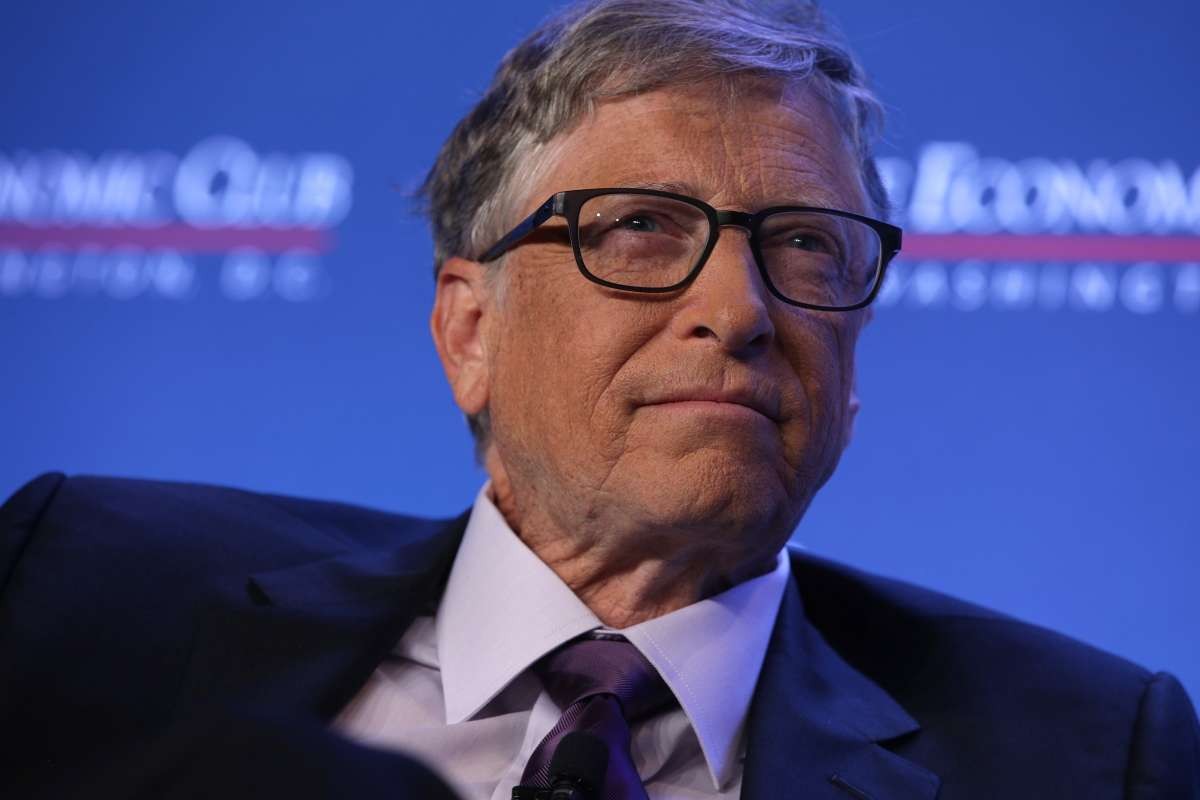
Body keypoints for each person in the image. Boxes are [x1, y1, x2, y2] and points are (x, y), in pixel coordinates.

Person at [2, 0, 1197, 798]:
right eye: (639, 228)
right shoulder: (75, 591)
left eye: (805, 246)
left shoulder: (1089, 755)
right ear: (471, 329)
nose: (738, 310)